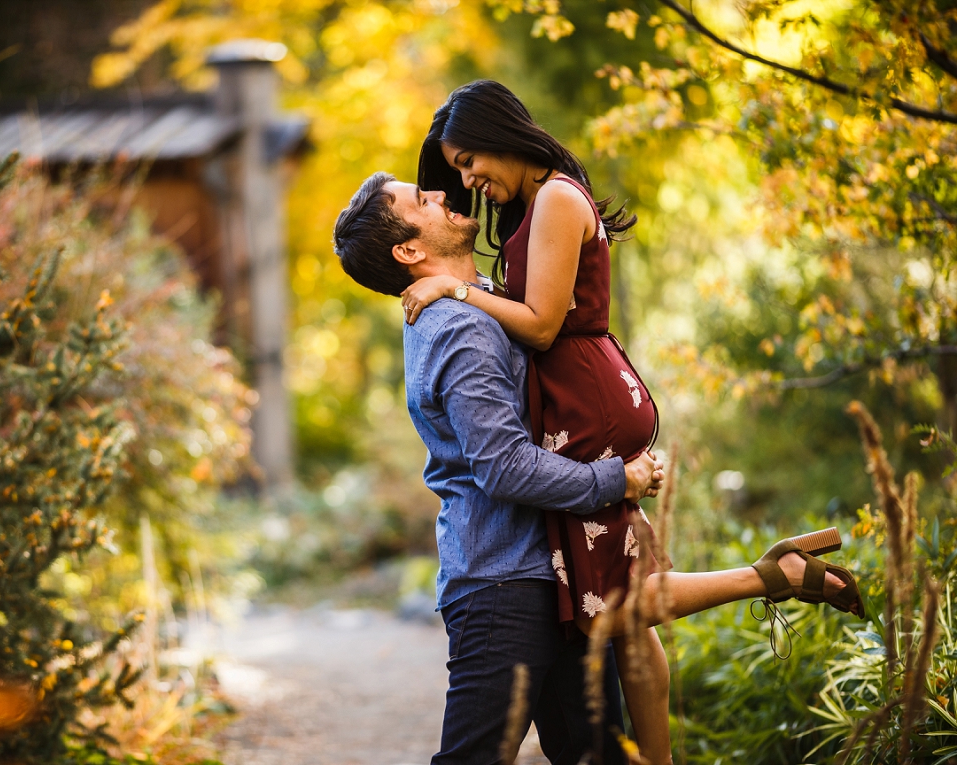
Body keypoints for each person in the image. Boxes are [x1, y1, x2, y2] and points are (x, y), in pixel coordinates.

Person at [341, 82, 866, 762]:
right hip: (504, 584)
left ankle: (765, 584)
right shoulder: (458, 328)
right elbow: (502, 465)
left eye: (456, 172)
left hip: (537, 571)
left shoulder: (480, 295)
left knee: (598, 733)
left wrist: (607, 477)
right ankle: (769, 577)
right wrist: (611, 480)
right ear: (409, 251)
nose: (449, 190)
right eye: (424, 198)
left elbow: (545, 329)